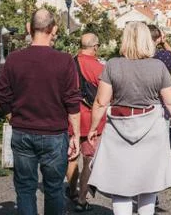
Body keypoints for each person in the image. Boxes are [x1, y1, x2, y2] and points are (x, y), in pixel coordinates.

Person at [87, 22, 171, 215]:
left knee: (120, 187)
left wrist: (93, 128)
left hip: (118, 127)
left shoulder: (113, 65)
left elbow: (101, 102)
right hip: (151, 127)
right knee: (148, 184)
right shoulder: (158, 67)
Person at [0, 9, 81, 215]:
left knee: (25, 188)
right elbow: (72, 101)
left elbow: (2, 93)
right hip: (54, 133)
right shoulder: (65, 60)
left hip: (23, 130)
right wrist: (76, 134)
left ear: (29, 28)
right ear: (54, 30)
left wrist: (11, 116)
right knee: (53, 189)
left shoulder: (14, 59)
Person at [66, 33, 106, 212]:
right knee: (88, 159)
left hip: (72, 116)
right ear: (95, 46)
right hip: (92, 121)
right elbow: (105, 95)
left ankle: (72, 191)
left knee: (72, 156)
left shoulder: (70, 63)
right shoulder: (99, 68)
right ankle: (82, 200)